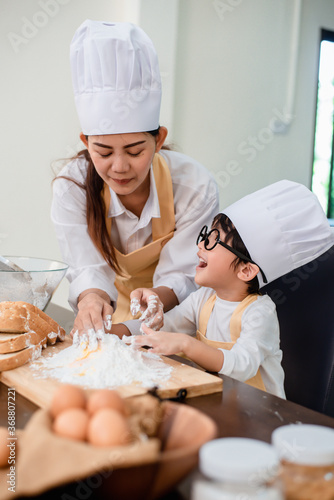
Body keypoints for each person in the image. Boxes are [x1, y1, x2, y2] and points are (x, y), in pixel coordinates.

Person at [51, 20, 219, 335]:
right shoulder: (71, 186)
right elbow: (86, 266)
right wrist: (90, 299)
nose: (119, 167)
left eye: (134, 151)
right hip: (108, 317)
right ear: (86, 142)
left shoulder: (193, 186)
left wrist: (156, 299)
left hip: (177, 319)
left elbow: (184, 275)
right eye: (103, 152)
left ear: (159, 140)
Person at [121, 180, 334, 397]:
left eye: (214, 241)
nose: (201, 245)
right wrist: (112, 331)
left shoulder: (259, 312)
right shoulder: (203, 299)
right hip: (223, 403)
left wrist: (187, 344)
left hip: (262, 416)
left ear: (246, 271)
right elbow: (162, 326)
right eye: (206, 236)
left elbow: (243, 364)